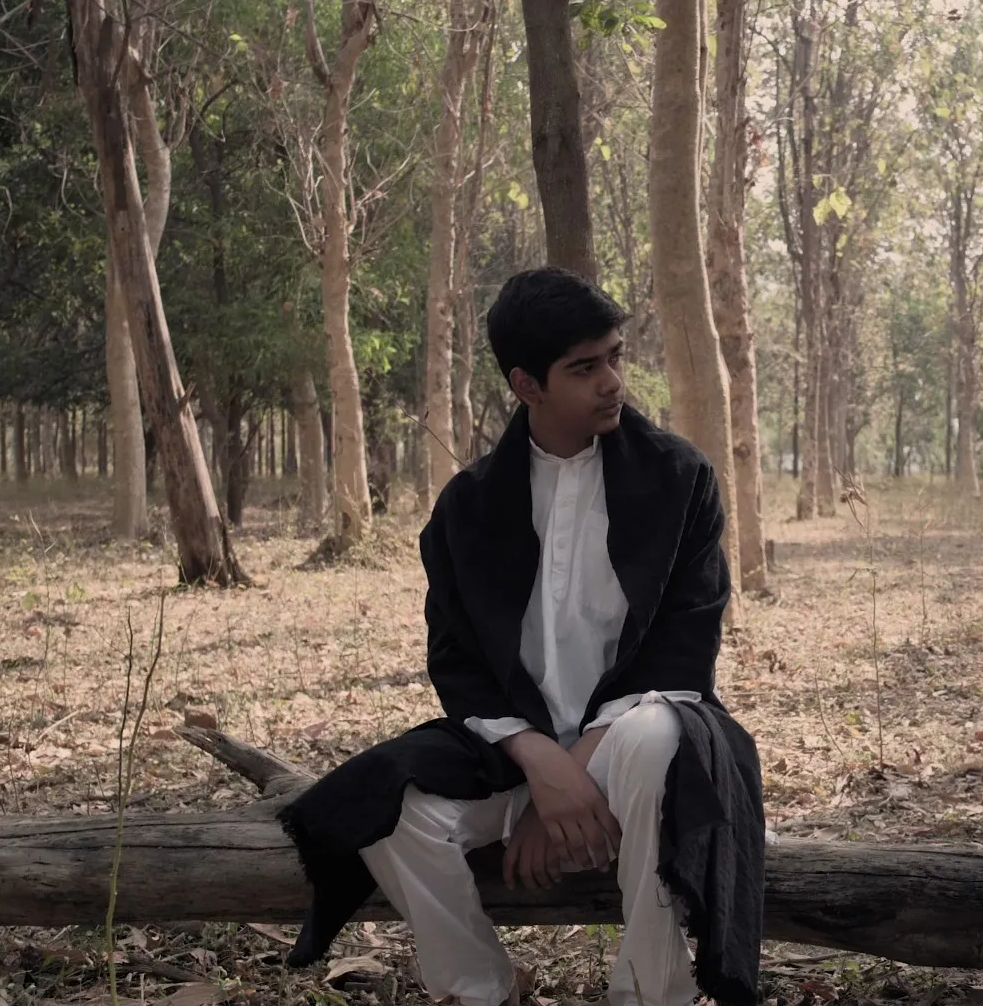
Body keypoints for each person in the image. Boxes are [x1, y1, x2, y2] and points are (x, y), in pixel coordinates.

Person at [277, 267, 764, 1006]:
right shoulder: (468, 507)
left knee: (656, 735)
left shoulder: (678, 479)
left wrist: (565, 782)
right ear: (526, 385)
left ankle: (649, 991)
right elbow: (456, 659)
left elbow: (683, 650)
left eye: (614, 357)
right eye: (584, 368)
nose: (612, 382)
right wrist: (539, 766)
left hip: (636, 753)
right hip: (511, 755)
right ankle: (482, 989)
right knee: (386, 805)